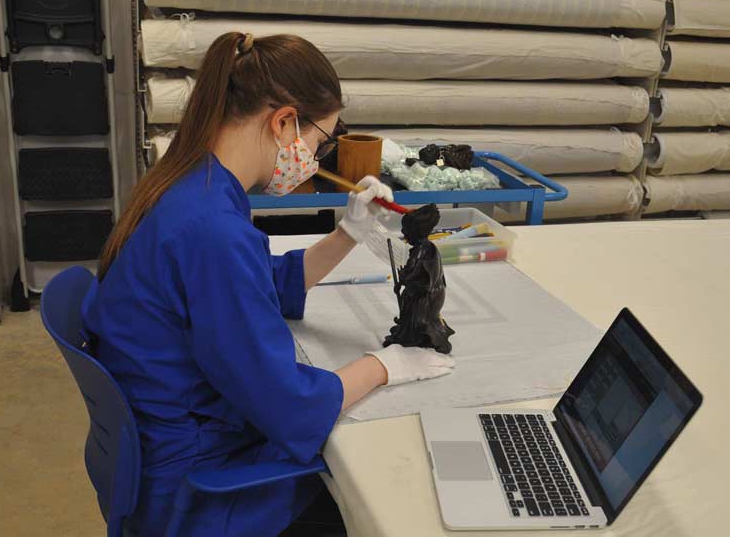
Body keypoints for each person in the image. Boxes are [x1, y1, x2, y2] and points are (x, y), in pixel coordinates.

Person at [81, 32, 455, 536]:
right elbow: (289, 405)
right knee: (387, 498)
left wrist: (347, 233)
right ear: (283, 122)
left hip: (170, 445)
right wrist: (384, 366)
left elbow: (262, 284)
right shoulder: (211, 229)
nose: (315, 160)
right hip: (197, 490)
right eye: (320, 142)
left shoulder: (196, 186)